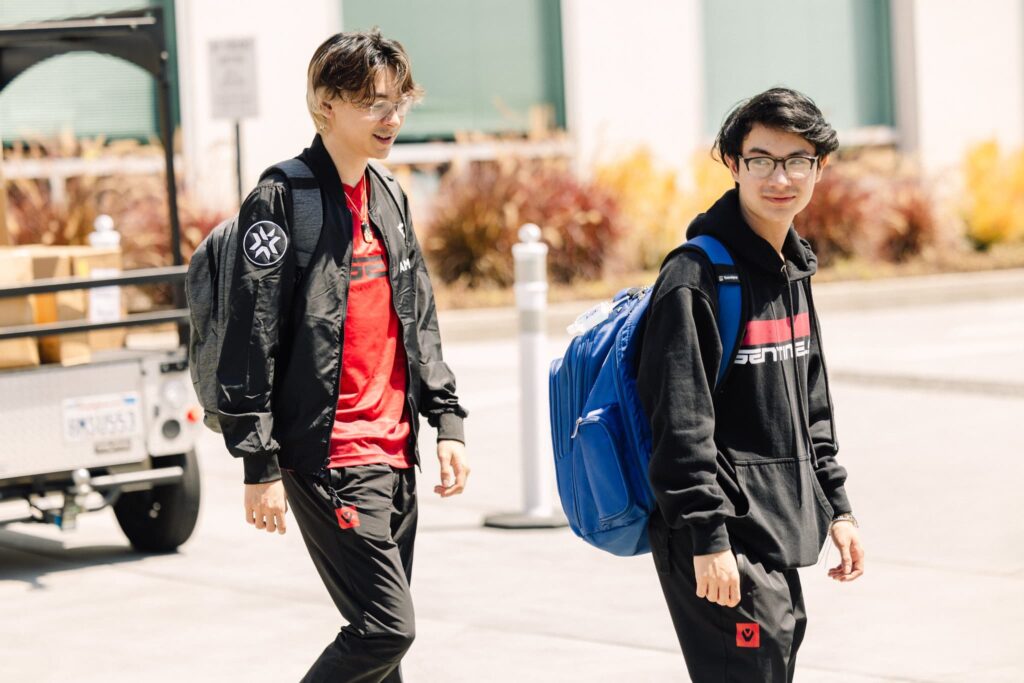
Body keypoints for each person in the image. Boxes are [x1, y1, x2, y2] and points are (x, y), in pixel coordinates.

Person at [215, 29, 469, 683]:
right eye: (373, 103)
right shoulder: (282, 200)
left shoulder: (389, 197)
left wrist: (448, 421)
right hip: (331, 457)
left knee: (383, 655)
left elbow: (418, 318)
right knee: (386, 627)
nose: (392, 117)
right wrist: (259, 464)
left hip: (394, 452)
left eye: (399, 101)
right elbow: (251, 336)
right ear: (326, 104)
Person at [636, 87, 864, 681]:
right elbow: (681, 426)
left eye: (797, 161)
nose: (779, 177)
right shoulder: (695, 278)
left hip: (778, 529)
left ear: (819, 168)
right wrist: (708, 540)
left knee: (774, 661)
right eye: (761, 160)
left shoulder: (791, 267)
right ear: (734, 165)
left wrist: (837, 509)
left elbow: (811, 408)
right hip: (722, 535)